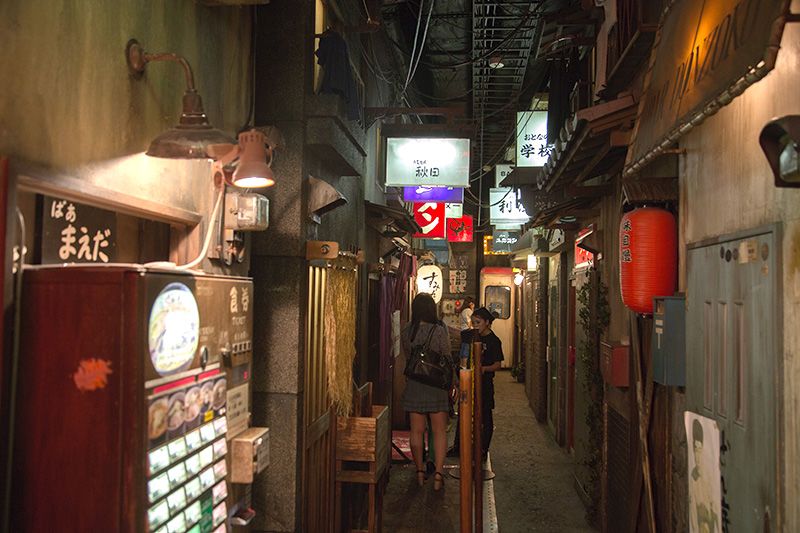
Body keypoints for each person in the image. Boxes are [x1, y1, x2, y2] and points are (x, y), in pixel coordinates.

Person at [401, 293, 456, 490]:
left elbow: (408, 356)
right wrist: (454, 383)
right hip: (436, 385)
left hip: (415, 384)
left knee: (416, 431)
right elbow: (447, 357)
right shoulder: (439, 330)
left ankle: (419, 471)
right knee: (439, 431)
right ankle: (439, 475)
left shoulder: (407, 331)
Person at [447, 307, 504, 460]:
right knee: (464, 412)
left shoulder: (494, 341)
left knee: (485, 414)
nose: (475, 325)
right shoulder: (471, 335)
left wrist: (484, 369)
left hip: (485, 383)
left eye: (478, 322)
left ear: (487, 322)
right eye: (473, 322)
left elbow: (498, 364)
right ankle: (459, 446)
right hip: (467, 381)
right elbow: (457, 333)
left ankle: (483, 449)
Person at [690, 419, 720, 533]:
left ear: (703, 450)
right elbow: (693, 515)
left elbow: (716, 512)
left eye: (699, 449)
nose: (697, 456)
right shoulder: (693, 478)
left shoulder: (709, 477)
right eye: (695, 450)